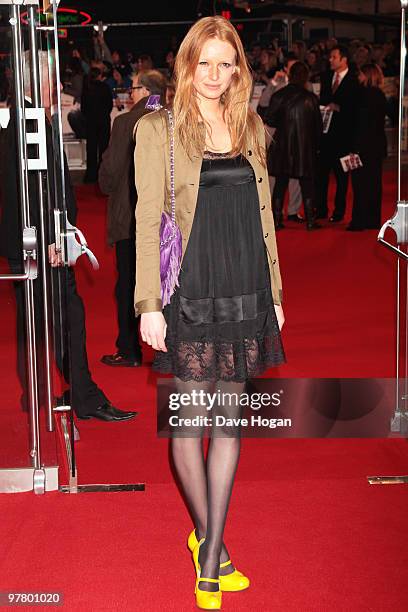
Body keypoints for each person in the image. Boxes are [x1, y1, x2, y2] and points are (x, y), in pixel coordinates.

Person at [134, 16, 285, 610]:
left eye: (228, 64)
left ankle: (212, 548)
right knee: (189, 423)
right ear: (186, 63)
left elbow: (264, 215)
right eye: (206, 63)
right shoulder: (160, 129)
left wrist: (273, 291)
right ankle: (212, 549)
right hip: (190, 288)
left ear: (239, 68)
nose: (216, 76)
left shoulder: (251, 124)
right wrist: (150, 304)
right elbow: (149, 221)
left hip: (246, 283)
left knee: (229, 420)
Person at [0, 52, 137, 423]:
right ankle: (80, 398)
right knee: (65, 320)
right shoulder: (29, 122)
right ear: (33, 82)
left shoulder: (27, 118)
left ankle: (59, 396)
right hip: (42, 243)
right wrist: (52, 238)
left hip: (38, 240)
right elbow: (34, 189)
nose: (59, 85)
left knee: (53, 322)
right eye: (52, 77)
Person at [99, 70, 167, 367]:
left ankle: (130, 349)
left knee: (128, 284)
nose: (130, 92)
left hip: (131, 217)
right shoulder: (174, 118)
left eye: (133, 87)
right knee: (167, 282)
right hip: (168, 219)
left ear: (144, 91)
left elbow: (109, 175)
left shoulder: (126, 122)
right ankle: (168, 348)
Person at [265, 61, 323, 231]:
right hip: (304, 148)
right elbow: (318, 127)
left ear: (290, 76)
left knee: (280, 185)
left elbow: (270, 119)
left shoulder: (279, 96)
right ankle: (310, 221)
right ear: (306, 77)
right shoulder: (311, 99)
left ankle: (276, 220)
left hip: (282, 147)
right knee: (307, 185)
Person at [316, 45, 360, 222]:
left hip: (345, 139)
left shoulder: (354, 80)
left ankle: (339, 212)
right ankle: (321, 210)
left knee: (342, 179)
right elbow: (323, 100)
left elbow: (357, 110)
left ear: (344, 59)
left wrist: (339, 108)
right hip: (325, 137)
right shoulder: (326, 77)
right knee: (321, 175)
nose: (330, 60)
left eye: (334, 57)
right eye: (330, 57)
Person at [348, 63, 387, 231]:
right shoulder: (380, 95)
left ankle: (359, 221)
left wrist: (354, 147)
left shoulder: (362, 95)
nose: (358, 77)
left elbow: (360, 124)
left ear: (367, 75)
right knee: (374, 184)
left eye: (361, 74)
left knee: (360, 184)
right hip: (377, 146)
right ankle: (373, 220)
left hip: (362, 147)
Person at [81, 66, 113, 183]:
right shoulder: (105, 87)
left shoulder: (87, 88)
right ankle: (103, 175)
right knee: (104, 148)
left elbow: (83, 108)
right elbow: (109, 105)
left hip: (91, 122)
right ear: (99, 76)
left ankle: (90, 175)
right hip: (103, 121)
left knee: (91, 149)